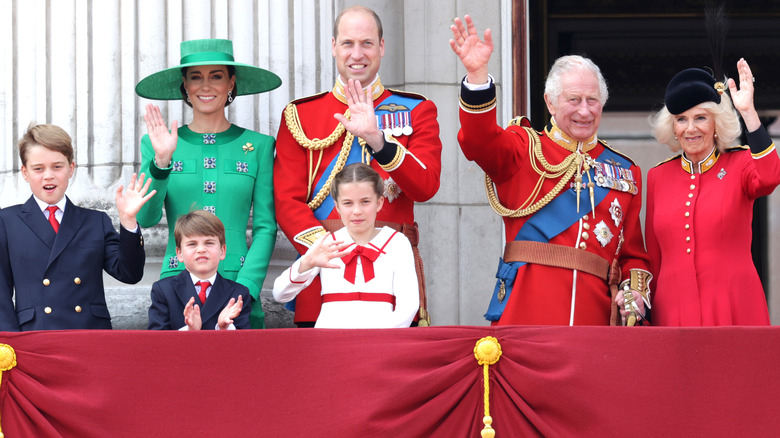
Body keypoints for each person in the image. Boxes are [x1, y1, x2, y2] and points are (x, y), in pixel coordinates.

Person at [450, 15, 652, 326]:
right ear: (550, 102)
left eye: (592, 101)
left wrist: (634, 293)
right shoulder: (523, 149)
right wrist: (477, 77)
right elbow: (478, 141)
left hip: (593, 323)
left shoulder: (625, 171)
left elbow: (634, 256)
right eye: (573, 100)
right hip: (526, 316)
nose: (584, 111)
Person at [274, 6, 442, 327]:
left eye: (366, 43)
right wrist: (327, 252)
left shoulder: (417, 110)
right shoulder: (301, 115)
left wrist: (379, 141)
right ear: (334, 46)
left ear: (381, 47)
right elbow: (286, 201)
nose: (357, 54)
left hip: (392, 278)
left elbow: (426, 185)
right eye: (348, 43)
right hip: (326, 274)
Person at [135, 38, 281, 329]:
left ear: (231, 83)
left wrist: (247, 288)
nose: (205, 86)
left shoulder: (260, 145)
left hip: (239, 286)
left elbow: (266, 227)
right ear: (185, 86)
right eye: (195, 77)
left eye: (216, 76)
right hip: (177, 287)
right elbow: (146, 218)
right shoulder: (157, 144)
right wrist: (162, 160)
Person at [646, 59, 779, 326]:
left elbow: (770, 177)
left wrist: (748, 112)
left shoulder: (739, 164)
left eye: (700, 118)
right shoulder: (658, 177)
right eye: (681, 119)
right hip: (673, 312)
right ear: (673, 127)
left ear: (716, 123)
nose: (690, 128)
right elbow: (654, 258)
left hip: (734, 307)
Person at [0, 124, 153, 331]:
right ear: (25, 173)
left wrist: (128, 222)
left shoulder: (95, 221)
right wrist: (10, 344)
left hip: (88, 335)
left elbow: (130, 274)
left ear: (71, 169)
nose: (48, 175)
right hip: (34, 337)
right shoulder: (7, 221)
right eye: (38, 168)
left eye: (57, 166)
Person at [273, 163, 419, 328]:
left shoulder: (397, 242)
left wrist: (381, 340)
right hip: (330, 342)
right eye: (348, 203)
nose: (357, 211)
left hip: (381, 342)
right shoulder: (327, 243)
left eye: (365, 202)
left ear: (379, 203)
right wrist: (307, 262)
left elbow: (409, 305)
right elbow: (280, 294)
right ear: (337, 206)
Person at [147, 210, 251, 330]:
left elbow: (244, 345)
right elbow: (157, 342)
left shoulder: (238, 294)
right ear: (179, 253)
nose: (201, 249)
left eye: (209, 243)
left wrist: (223, 328)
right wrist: (189, 331)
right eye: (192, 244)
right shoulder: (164, 290)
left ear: (222, 251)